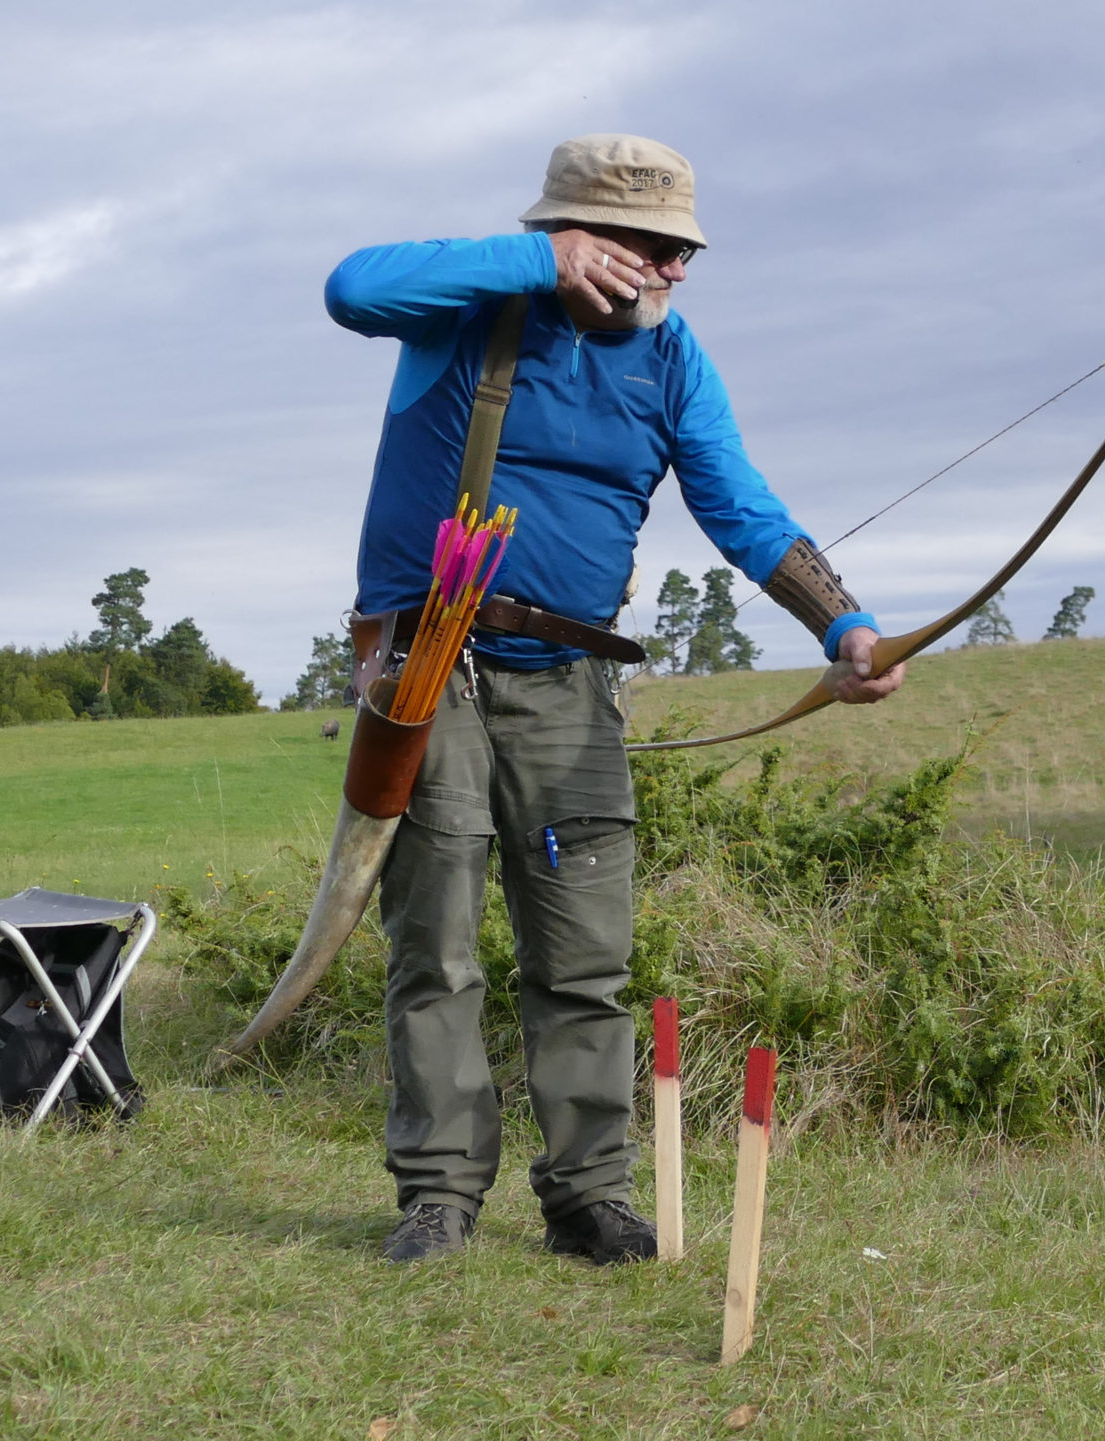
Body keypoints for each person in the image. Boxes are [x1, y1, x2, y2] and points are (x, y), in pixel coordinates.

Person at [324, 134, 906, 1265]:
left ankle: (588, 1197)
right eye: (650, 245)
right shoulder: (470, 309)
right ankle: (438, 1197)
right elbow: (351, 288)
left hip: (573, 687)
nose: (673, 270)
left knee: (585, 957)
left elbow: (740, 505)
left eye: (685, 252)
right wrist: (537, 265)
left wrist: (844, 627)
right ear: (574, 235)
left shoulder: (673, 359)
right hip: (431, 668)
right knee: (435, 945)